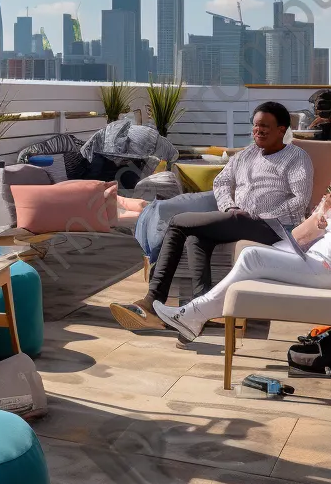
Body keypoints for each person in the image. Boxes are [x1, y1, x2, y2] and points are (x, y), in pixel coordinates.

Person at [152, 135, 331, 341]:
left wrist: (326, 220)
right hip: (315, 255)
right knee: (253, 256)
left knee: (252, 257)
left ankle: (195, 314)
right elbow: (322, 222)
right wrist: (323, 216)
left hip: (328, 269)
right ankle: (195, 314)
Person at [111, 102, 313, 331]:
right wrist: (229, 208)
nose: (258, 131)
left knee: (178, 223)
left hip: (273, 226)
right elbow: (222, 181)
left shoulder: (297, 158)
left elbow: (300, 200)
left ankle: (151, 302)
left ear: (282, 129)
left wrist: (259, 216)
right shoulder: (247, 154)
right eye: (255, 126)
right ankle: (201, 311)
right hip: (239, 218)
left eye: (265, 126)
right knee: (196, 238)